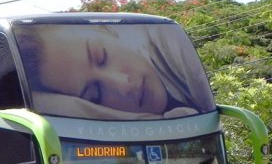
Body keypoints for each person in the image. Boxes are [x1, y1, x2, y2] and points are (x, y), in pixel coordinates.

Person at [14, 22, 215, 120]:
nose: (122, 84)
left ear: (106, 29)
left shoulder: (168, 44)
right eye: (95, 95)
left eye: (102, 56)